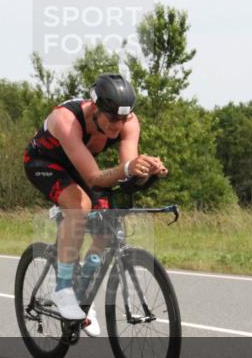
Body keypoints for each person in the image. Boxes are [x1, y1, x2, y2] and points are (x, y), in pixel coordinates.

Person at [23, 73, 167, 335]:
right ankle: (63, 289)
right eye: (112, 119)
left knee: (105, 228)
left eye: (123, 119)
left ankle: (82, 295)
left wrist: (146, 170)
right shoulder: (66, 120)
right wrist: (128, 168)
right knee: (78, 208)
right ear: (95, 108)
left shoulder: (128, 122)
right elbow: (93, 177)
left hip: (79, 165)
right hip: (44, 163)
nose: (118, 125)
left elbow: (127, 172)